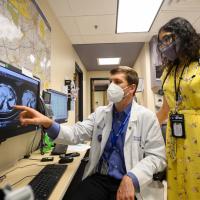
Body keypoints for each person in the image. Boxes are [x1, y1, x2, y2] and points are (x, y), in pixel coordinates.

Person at [15, 66, 166, 200]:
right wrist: (48, 123)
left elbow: (157, 157)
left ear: (131, 88)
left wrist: (132, 177)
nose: (112, 86)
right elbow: (75, 133)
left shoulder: (147, 117)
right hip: (99, 179)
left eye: (118, 82)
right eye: (111, 82)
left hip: (129, 182)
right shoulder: (101, 113)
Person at [156, 17, 200, 200]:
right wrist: (146, 127)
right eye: (161, 42)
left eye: (168, 39)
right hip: (175, 134)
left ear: (183, 35)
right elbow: (165, 108)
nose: (164, 45)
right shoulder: (167, 71)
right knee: (177, 181)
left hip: (196, 131)